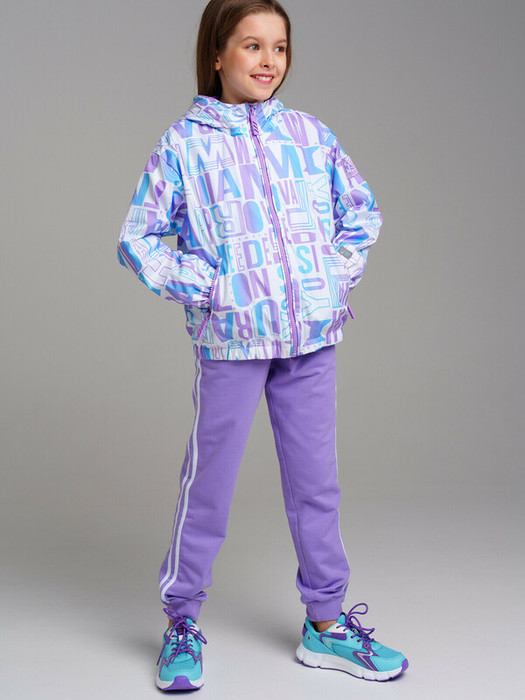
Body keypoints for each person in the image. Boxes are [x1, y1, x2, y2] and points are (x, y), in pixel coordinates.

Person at [117, 0, 408, 691]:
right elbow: (138, 238)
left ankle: (326, 624)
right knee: (208, 487)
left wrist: (328, 277)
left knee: (316, 486)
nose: (268, 60)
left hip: (310, 339)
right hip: (231, 341)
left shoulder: (309, 135)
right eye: (251, 45)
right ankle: (181, 621)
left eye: (279, 46)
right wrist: (211, 286)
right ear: (217, 54)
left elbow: (360, 212)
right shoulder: (184, 144)